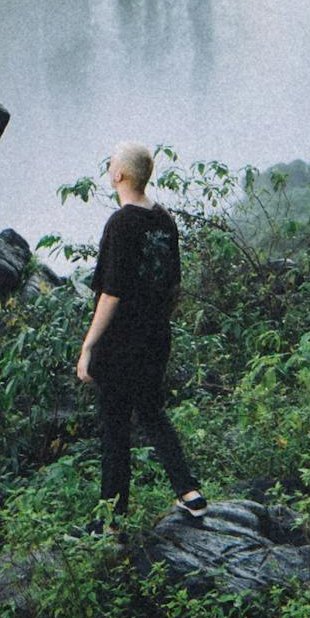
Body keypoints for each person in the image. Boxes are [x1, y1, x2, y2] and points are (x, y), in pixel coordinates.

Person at [76, 143, 206, 523]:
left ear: (119, 176)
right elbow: (173, 284)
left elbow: (111, 293)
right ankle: (190, 492)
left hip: (120, 344)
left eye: (112, 163)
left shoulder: (121, 223)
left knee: (115, 430)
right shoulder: (164, 219)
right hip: (155, 337)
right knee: (152, 413)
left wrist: (88, 347)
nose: (109, 167)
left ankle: (110, 522)